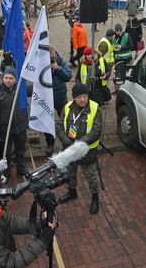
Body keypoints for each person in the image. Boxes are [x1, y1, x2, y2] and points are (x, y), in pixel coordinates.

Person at [55, 83, 103, 214]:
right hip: (70, 149)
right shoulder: (67, 107)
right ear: (74, 98)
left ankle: (95, 197)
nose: (83, 99)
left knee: (91, 176)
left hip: (87, 151)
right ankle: (72, 191)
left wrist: (79, 145)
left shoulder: (95, 108)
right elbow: (59, 125)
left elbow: (96, 131)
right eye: (79, 97)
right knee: (70, 172)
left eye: (85, 96)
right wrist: (66, 141)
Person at [0, 68, 30, 175]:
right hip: (5, 128)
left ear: (16, 79)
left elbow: (36, 89)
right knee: (5, 153)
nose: (8, 80)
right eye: (6, 78)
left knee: (20, 151)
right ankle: (6, 172)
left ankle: (21, 170)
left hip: (20, 126)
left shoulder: (22, 89)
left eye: (11, 78)